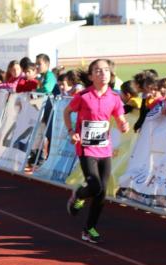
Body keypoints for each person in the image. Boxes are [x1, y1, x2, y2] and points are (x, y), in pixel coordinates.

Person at [64, 59, 130, 243]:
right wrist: (71, 132)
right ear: (91, 76)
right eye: (98, 71)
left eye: (106, 70)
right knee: (95, 186)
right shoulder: (83, 96)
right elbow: (66, 112)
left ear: (111, 74)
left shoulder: (115, 98)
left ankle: (89, 229)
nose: (103, 74)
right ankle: (78, 195)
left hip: (104, 148)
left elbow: (120, 118)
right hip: (86, 147)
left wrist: (124, 125)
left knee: (102, 193)